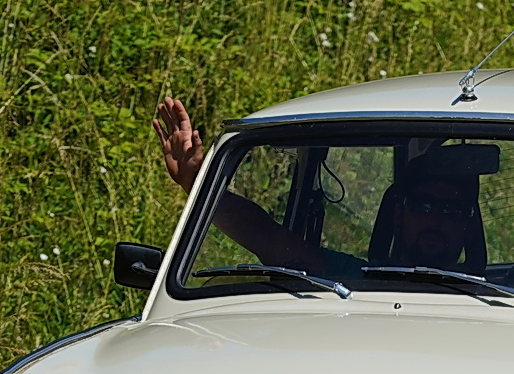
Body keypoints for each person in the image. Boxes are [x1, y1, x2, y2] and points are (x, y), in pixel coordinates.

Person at [153, 97, 482, 279]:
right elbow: (265, 237)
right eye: (423, 206)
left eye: (453, 211)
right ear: (399, 213)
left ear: (469, 225)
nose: (436, 220)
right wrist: (197, 181)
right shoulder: (353, 279)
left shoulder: (510, 299)